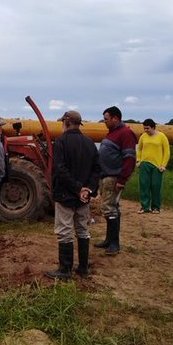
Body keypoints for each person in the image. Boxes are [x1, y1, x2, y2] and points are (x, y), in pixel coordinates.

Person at [45, 110, 101, 280]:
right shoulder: (89, 142)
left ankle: (65, 270)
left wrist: (78, 189)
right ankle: (83, 268)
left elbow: (60, 170)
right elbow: (97, 169)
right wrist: (87, 189)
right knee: (83, 230)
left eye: (63, 122)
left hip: (66, 195)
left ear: (67, 123)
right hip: (83, 197)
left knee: (64, 231)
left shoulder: (61, 142)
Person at [93, 106, 137, 255]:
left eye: (106, 119)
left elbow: (129, 158)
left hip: (114, 177)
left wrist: (122, 179)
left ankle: (114, 244)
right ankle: (108, 240)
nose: (104, 122)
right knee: (109, 208)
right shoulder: (113, 133)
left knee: (110, 208)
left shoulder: (126, 133)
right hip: (106, 175)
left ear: (115, 119)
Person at [135, 118, 170, 214]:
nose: (146, 130)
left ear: (153, 127)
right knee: (144, 185)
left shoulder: (162, 136)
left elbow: (166, 152)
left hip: (157, 165)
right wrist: (138, 160)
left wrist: (163, 165)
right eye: (144, 128)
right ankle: (144, 207)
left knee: (155, 186)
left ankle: (156, 207)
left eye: (147, 128)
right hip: (144, 163)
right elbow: (139, 148)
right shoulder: (143, 136)